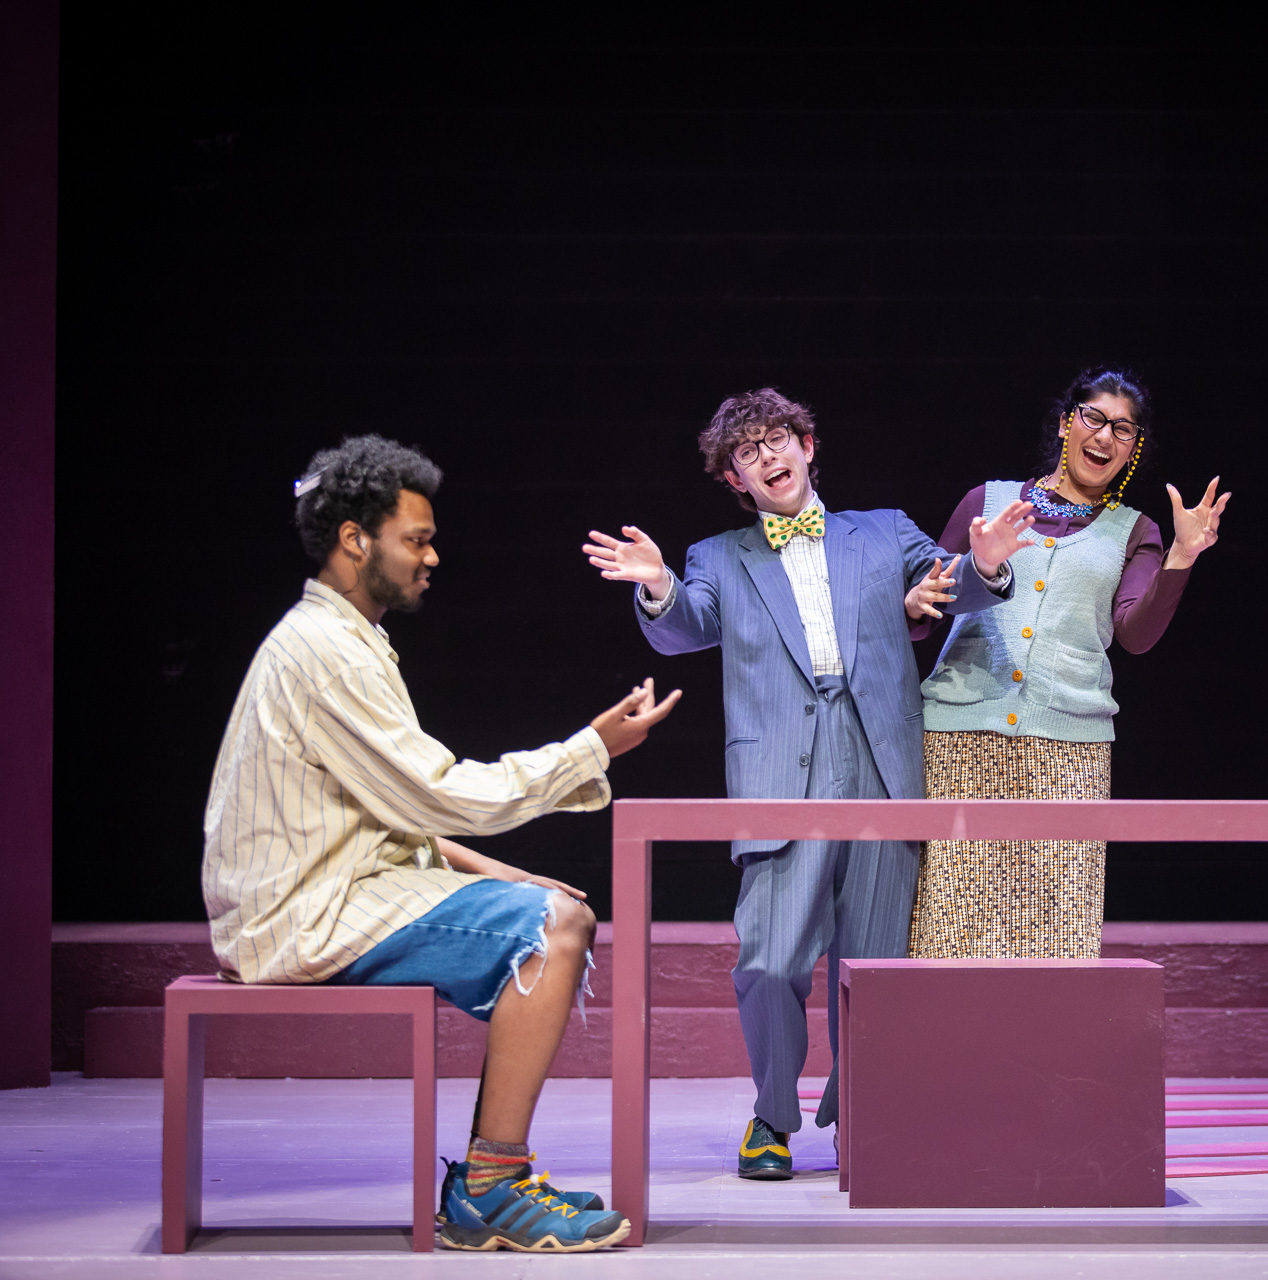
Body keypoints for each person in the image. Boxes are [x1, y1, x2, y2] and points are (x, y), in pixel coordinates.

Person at [203, 435, 681, 1254]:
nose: (431, 557)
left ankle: (490, 1184)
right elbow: (439, 793)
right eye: (414, 539)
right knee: (553, 929)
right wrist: (590, 750)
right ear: (356, 538)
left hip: (336, 886)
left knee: (551, 905)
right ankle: (491, 1187)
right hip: (304, 913)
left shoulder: (344, 637)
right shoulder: (324, 652)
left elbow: (390, 810)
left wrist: (497, 868)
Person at [581, 388, 1031, 1179]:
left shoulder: (883, 530)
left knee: (877, 962)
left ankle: (863, 1109)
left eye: (777, 440)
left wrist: (985, 564)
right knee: (769, 958)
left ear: (808, 445)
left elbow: (945, 581)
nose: (768, 458)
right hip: (779, 770)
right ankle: (772, 1116)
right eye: (747, 454)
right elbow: (691, 625)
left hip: (880, 763)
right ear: (736, 482)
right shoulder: (719, 556)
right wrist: (655, 586)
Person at [908, 367, 1228, 959]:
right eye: (1094, 418)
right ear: (1066, 422)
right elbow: (922, 614)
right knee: (951, 926)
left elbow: (1135, 634)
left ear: (1134, 449)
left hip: (1069, 749)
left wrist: (1183, 556)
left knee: (1058, 928)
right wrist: (923, 595)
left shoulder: (1135, 531)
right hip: (959, 738)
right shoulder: (989, 501)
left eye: (1124, 430)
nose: (1105, 437)